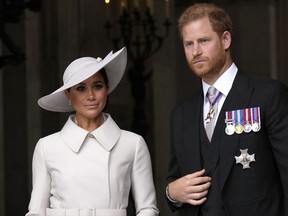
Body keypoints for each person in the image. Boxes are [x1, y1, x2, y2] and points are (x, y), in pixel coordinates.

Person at [165, 3, 288, 216]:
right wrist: (171, 193)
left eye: (204, 41)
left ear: (225, 40)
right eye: (188, 44)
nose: (196, 51)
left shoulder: (267, 95)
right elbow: (175, 179)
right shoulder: (181, 114)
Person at [26, 47, 159, 216]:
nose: (90, 96)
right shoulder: (47, 147)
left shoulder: (133, 144)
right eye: (81, 88)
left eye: (97, 86)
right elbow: (36, 212)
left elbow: (147, 209)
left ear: (107, 89)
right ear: (68, 94)